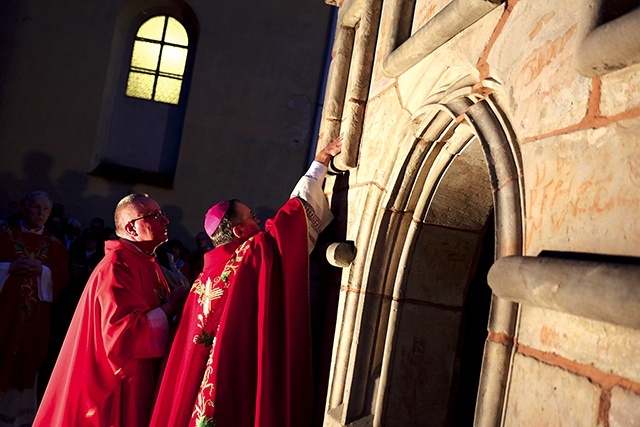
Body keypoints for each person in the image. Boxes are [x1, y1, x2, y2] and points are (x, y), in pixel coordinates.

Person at [150, 136, 342, 427]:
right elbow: (291, 221)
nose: (259, 219)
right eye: (252, 216)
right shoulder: (249, 257)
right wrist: (319, 164)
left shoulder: (204, 277)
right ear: (239, 231)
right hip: (239, 375)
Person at [34, 193, 189, 427]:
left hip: (142, 375)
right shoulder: (118, 266)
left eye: (162, 214)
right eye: (155, 216)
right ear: (131, 227)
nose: (165, 221)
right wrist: (172, 305)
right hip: (117, 382)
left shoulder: (147, 261)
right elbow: (121, 334)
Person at [0, 191, 69, 426]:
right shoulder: (4, 235)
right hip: (4, 315)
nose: (40, 213)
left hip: (35, 320)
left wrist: (44, 271)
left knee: (26, 361)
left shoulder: (55, 245)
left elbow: (63, 277)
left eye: (45, 210)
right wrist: (9, 267)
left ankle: (15, 418)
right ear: (23, 208)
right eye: (35, 207)